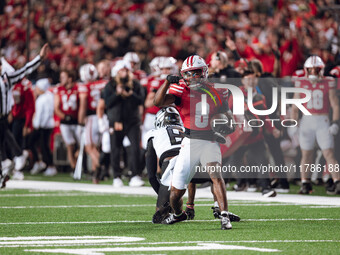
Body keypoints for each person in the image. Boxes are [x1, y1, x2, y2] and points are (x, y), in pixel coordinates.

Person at [154, 55, 235, 230]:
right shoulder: (181, 90)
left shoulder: (218, 92)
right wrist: (167, 82)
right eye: (188, 74)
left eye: (195, 73)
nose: (192, 77)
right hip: (189, 142)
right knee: (175, 193)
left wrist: (226, 126)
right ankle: (178, 214)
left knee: (216, 176)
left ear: (204, 72)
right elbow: (158, 102)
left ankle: (224, 216)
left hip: (209, 141)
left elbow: (230, 121)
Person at [0, 43, 48, 188]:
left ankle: (11, 158)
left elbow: (24, 71)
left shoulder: (6, 78)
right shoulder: (6, 78)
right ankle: (8, 162)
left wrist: (39, 58)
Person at [292, 56, 340, 195]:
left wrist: (335, 123)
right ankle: (305, 183)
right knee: (306, 154)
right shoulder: (300, 82)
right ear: (306, 70)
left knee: (329, 154)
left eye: (316, 69)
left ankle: (337, 182)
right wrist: (293, 123)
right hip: (307, 121)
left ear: (321, 70)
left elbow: (335, 105)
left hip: (322, 120)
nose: (313, 71)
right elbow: (295, 106)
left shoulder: (328, 82)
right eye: (310, 69)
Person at [101, 60, 145, 187]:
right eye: (122, 70)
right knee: (115, 148)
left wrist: (130, 94)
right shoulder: (110, 85)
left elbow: (141, 101)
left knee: (135, 148)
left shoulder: (135, 84)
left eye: (126, 70)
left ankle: (134, 175)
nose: (124, 72)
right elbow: (107, 104)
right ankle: (116, 176)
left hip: (132, 121)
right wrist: (117, 94)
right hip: (116, 121)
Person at [78, 63, 108, 183]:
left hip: (91, 117)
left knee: (89, 147)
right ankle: (96, 173)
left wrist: (80, 122)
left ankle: (100, 167)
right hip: (104, 116)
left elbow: (83, 105)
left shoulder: (85, 86)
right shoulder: (103, 83)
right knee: (97, 147)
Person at [53, 70, 80, 170]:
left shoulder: (77, 88)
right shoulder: (58, 89)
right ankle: (74, 168)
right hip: (65, 121)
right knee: (70, 145)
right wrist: (64, 116)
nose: (61, 79)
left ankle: (79, 161)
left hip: (77, 121)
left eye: (63, 77)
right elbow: (56, 108)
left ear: (70, 78)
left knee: (83, 145)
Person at [30, 78, 56, 176]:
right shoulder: (49, 96)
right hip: (47, 125)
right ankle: (42, 163)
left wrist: (37, 125)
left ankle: (47, 164)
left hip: (42, 126)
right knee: (43, 146)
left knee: (41, 145)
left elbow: (41, 114)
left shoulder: (42, 99)